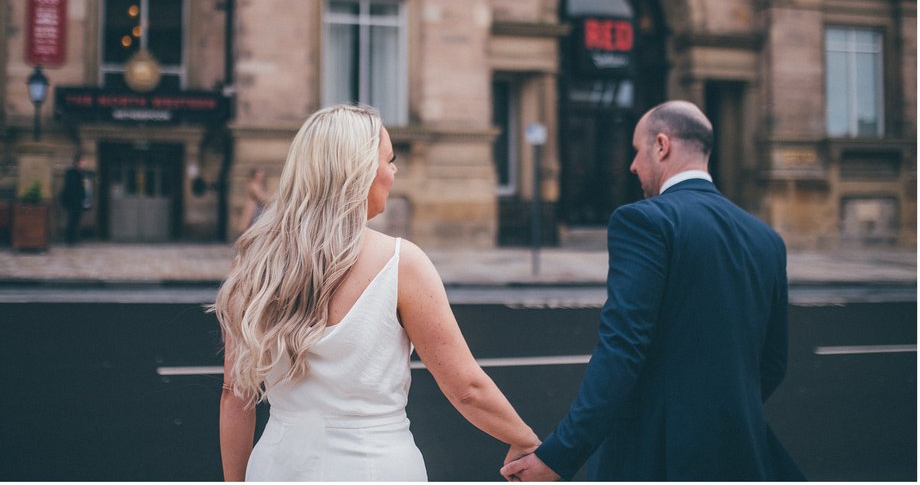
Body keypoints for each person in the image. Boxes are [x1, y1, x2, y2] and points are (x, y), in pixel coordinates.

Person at [214, 104, 539, 481]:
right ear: (360, 172)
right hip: (373, 466)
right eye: (389, 159)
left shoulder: (256, 262)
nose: (394, 171)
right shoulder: (401, 263)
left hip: (277, 466)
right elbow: (466, 387)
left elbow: (235, 396)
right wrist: (525, 440)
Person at [502, 100, 803, 482]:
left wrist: (560, 455)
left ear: (661, 146)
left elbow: (622, 350)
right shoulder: (766, 239)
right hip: (740, 452)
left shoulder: (644, 221)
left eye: (637, 150)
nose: (632, 165)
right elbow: (773, 362)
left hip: (656, 456)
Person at [60, 153, 87, 246]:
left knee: (75, 220)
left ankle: (73, 238)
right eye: (83, 162)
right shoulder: (72, 173)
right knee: (72, 220)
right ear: (78, 163)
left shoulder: (80, 173)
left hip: (77, 201)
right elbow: (72, 187)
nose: (85, 163)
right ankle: (70, 240)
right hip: (73, 201)